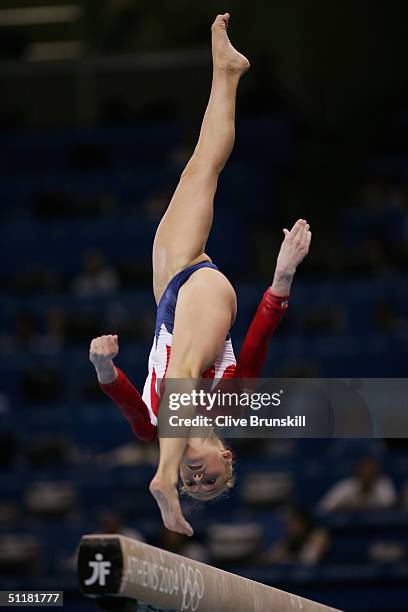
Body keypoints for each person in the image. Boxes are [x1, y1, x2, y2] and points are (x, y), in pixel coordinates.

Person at [89, 13, 312, 536]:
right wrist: (281, 279)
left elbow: (125, 397)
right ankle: (157, 483)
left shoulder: (151, 428)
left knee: (201, 167)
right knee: (186, 374)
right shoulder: (232, 400)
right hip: (207, 295)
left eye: (192, 487)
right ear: (224, 454)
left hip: (167, 289)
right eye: (208, 482)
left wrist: (103, 367)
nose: (201, 482)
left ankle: (226, 72)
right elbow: (257, 341)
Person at [318, 456, 397, 513]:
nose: (367, 476)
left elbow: (392, 508)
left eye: (371, 473)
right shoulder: (346, 486)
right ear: (357, 473)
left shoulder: (384, 484)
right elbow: (323, 508)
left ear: (377, 473)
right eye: (364, 472)